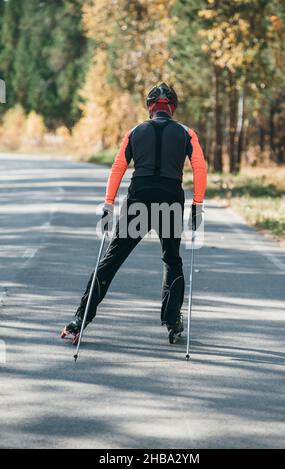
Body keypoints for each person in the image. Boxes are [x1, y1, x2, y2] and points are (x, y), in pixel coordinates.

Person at [61, 83, 207, 345]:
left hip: (139, 200)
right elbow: (199, 168)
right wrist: (197, 205)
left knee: (110, 261)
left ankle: (79, 319)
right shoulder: (187, 133)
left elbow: (118, 167)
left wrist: (108, 204)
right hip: (170, 201)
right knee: (171, 260)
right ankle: (172, 321)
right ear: (172, 108)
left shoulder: (135, 131)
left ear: (150, 107)